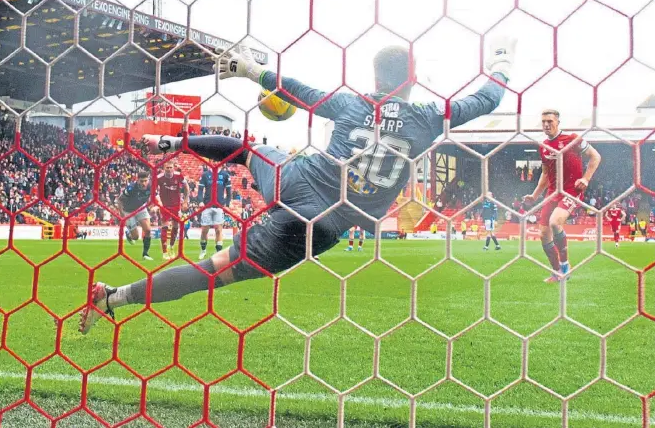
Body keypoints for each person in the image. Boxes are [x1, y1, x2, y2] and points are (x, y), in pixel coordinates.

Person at [79, 37, 516, 334]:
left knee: (247, 151)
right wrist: (501, 61)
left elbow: (298, 91)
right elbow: (488, 99)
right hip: (318, 223)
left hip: (295, 181)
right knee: (214, 274)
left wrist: (251, 70)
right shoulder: (426, 118)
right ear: (413, 75)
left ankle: (173, 141)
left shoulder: (349, 103)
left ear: (375, 75)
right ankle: (115, 298)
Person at [523, 110, 601, 283]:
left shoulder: (572, 139)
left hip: (571, 191)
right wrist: (535, 195)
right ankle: (556, 272)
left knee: (554, 222)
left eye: (550, 121)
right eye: (543, 121)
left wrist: (586, 178)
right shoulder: (543, 146)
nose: (546, 124)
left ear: (558, 121)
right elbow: (545, 174)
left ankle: (565, 266)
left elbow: (595, 156)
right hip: (552, 192)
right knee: (543, 233)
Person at [197, 165, 232, 260]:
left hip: (219, 206)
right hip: (207, 206)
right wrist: (200, 201)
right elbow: (200, 190)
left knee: (218, 229)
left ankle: (218, 253)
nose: (215, 162)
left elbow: (229, 192)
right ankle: (203, 250)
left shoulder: (225, 175)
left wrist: (227, 204)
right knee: (204, 230)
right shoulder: (205, 174)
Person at [118, 171, 154, 261]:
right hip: (128, 211)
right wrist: (122, 215)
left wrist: (154, 206)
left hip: (141, 208)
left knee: (148, 230)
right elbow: (119, 200)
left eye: (145, 181)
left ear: (148, 180)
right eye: (141, 181)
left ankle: (145, 254)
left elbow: (155, 197)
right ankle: (129, 234)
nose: (143, 183)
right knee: (136, 237)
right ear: (137, 180)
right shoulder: (131, 188)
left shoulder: (151, 186)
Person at [157, 162, 190, 260]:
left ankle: (171, 246)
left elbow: (186, 187)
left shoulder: (179, 176)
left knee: (176, 226)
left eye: (170, 167)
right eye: (167, 167)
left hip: (176, 206)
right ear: (164, 168)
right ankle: (164, 252)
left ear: (173, 168)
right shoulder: (159, 177)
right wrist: (158, 203)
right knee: (165, 226)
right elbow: (154, 191)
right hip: (164, 205)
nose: (169, 169)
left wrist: (185, 201)